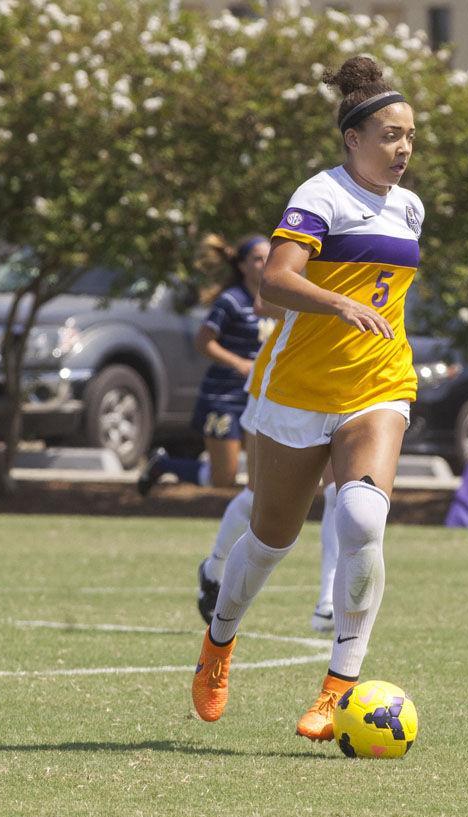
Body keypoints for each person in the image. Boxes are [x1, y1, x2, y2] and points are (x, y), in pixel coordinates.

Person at [191, 55, 424, 741]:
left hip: (378, 385)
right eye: (388, 133)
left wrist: (364, 323)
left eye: (410, 135)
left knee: (360, 521)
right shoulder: (318, 196)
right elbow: (276, 285)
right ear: (352, 138)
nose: (403, 147)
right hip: (294, 392)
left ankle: (336, 690)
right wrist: (337, 304)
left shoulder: (410, 207)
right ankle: (218, 645)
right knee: (270, 539)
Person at [196, 304, 339, 631]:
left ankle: (327, 603)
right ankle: (213, 568)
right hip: (280, 381)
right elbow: (267, 297)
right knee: (258, 497)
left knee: (339, 495)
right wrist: (335, 305)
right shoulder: (309, 251)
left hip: (339, 380)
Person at [137, 234, 270, 492]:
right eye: (257, 259)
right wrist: (239, 363)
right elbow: (203, 342)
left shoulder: (276, 302)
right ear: (242, 266)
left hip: (259, 398)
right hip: (224, 397)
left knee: (260, 479)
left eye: (269, 258)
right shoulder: (231, 301)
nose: (265, 264)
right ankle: (163, 465)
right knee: (224, 479)